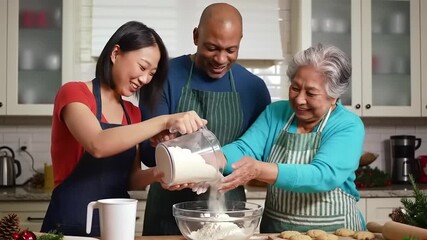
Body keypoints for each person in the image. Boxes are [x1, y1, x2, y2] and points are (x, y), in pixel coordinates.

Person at [41, 21, 207, 237]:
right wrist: (164, 121)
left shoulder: (132, 112)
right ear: (116, 53)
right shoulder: (74, 93)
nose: (145, 79)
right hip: (68, 227)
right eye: (142, 67)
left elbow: (130, 179)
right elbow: (98, 143)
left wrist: (162, 173)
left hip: (114, 228)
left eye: (152, 73)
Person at [139, 3, 271, 236]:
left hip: (228, 213)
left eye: (231, 50)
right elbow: (149, 156)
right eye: (212, 47)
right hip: (167, 210)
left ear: (241, 41)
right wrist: (164, 143)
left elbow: (259, 152)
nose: (220, 58)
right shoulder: (164, 76)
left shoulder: (254, 88)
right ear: (196, 36)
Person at [218, 44, 366, 232]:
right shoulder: (276, 113)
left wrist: (259, 170)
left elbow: (322, 175)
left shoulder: (347, 125)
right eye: (295, 88)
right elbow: (243, 149)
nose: (299, 99)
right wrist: (213, 160)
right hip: (276, 234)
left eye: (311, 93)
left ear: (334, 96)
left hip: (336, 233)